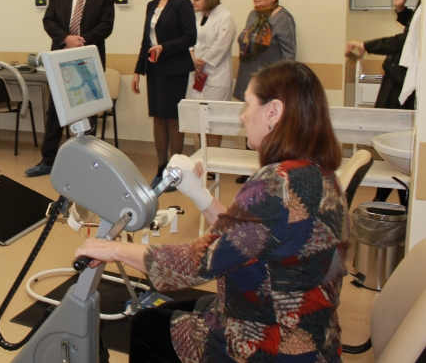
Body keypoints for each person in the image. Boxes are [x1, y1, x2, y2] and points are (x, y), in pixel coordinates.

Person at [76, 61, 348, 362]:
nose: (243, 115)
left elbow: (198, 263)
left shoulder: (275, 185)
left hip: (273, 342)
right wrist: (198, 193)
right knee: (163, 314)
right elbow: (245, 236)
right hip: (307, 329)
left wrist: (112, 250)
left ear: (273, 112)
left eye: (248, 104)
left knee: (146, 326)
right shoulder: (321, 175)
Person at [25, 0, 115, 177]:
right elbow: (49, 21)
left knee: (87, 111)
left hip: (88, 61)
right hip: (61, 57)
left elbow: (106, 26)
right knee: (56, 110)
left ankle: (86, 161)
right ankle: (48, 160)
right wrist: (66, 38)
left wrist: (80, 41)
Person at [345, 0, 421, 205]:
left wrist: (367, 45)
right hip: (395, 79)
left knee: (394, 142)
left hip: (402, 85)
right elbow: (414, 29)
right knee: (388, 141)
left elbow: (407, 40)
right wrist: (401, 9)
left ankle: (388, 201)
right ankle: (382, 199)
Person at [131, 0, 197, 189]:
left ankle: (176, 170)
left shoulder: (182, 3)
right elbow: (146, 40)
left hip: (175, 68)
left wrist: (164, 47)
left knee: (173, 117)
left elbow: (190, 37)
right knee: (158, 116)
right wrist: (138, 70)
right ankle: (161, 168)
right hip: (155, 68)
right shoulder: (152, 5)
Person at [233, 0, 296, 184]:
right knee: (250, 121)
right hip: (249, 78)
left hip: (270, 84)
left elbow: (289, 55)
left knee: (269, 127)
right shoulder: (253, 15)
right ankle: (251, 169)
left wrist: (283, 84)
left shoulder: (283, 18)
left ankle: (270, 170)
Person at [186, 0, 236, 151]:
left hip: (216, 73)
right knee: (198, 116)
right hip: (196, 71)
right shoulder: (196, 16)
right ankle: (203, 154)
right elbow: (190, 39)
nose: (193, 2)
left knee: (215, 119)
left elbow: (221, 44)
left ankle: (215, 155)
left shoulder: (225, 16)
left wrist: (203, 62)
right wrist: (193, 59)